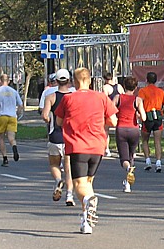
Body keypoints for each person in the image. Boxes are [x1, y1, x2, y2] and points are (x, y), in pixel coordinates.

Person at [53, 67, 117, 234]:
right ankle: (86, 220)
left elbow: (58, 121)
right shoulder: (101, 97)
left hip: (78, 145)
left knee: (79, 184)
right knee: (88, 182)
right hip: (97, 146)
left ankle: (89, 200)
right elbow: (113, 121)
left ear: (74, 82)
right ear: (89, 80)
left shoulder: (68, 98)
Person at [42, 68, 75, 206]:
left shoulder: (51, 97)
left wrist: (50, 120)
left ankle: (58, 180)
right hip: (70, 136)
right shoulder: (74, 96)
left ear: (56, 81)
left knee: (54, 164)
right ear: (69, 81)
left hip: (55, 135)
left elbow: (45, 115)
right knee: (69, 168)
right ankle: (69, 195)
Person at [112, 76, 146, 192]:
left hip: (121, 128)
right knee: (131, 155)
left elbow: (110, 111)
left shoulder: (118, 98)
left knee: (124, 158)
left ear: (124, 86)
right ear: (135, 88)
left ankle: (128, 169)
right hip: (134, 130)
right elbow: (144, 118)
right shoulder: (138, 100)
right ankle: (128, 183)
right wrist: (137, 115)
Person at [137, 71, 164, 172]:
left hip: (147, 117)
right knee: (157, 141)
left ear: (146, 80)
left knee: (145, 140)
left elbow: (139, 103)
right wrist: (162, 112)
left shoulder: (142, 91)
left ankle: (148, 161)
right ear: (156, 80)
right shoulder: (161, 92)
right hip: (158, 118)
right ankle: (158, 163)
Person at [0, 73, 23, 166]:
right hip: (12, 116)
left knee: (1, 137)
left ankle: (5, 158)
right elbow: (20, 105)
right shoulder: (14, 91)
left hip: (2, 115)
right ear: (8, 81)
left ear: (0, 81)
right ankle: (14, 146)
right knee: (11, 137)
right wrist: (17, 114)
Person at [102, 72, 124, 158]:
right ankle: (121, 148)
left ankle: (107, 149)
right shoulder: (119, 86)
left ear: (105, 79)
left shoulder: (105, 87)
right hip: (119, 110)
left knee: (106, 130)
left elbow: (105, 100)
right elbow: (123, 97)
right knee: (119, 130)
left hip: (110, 111)